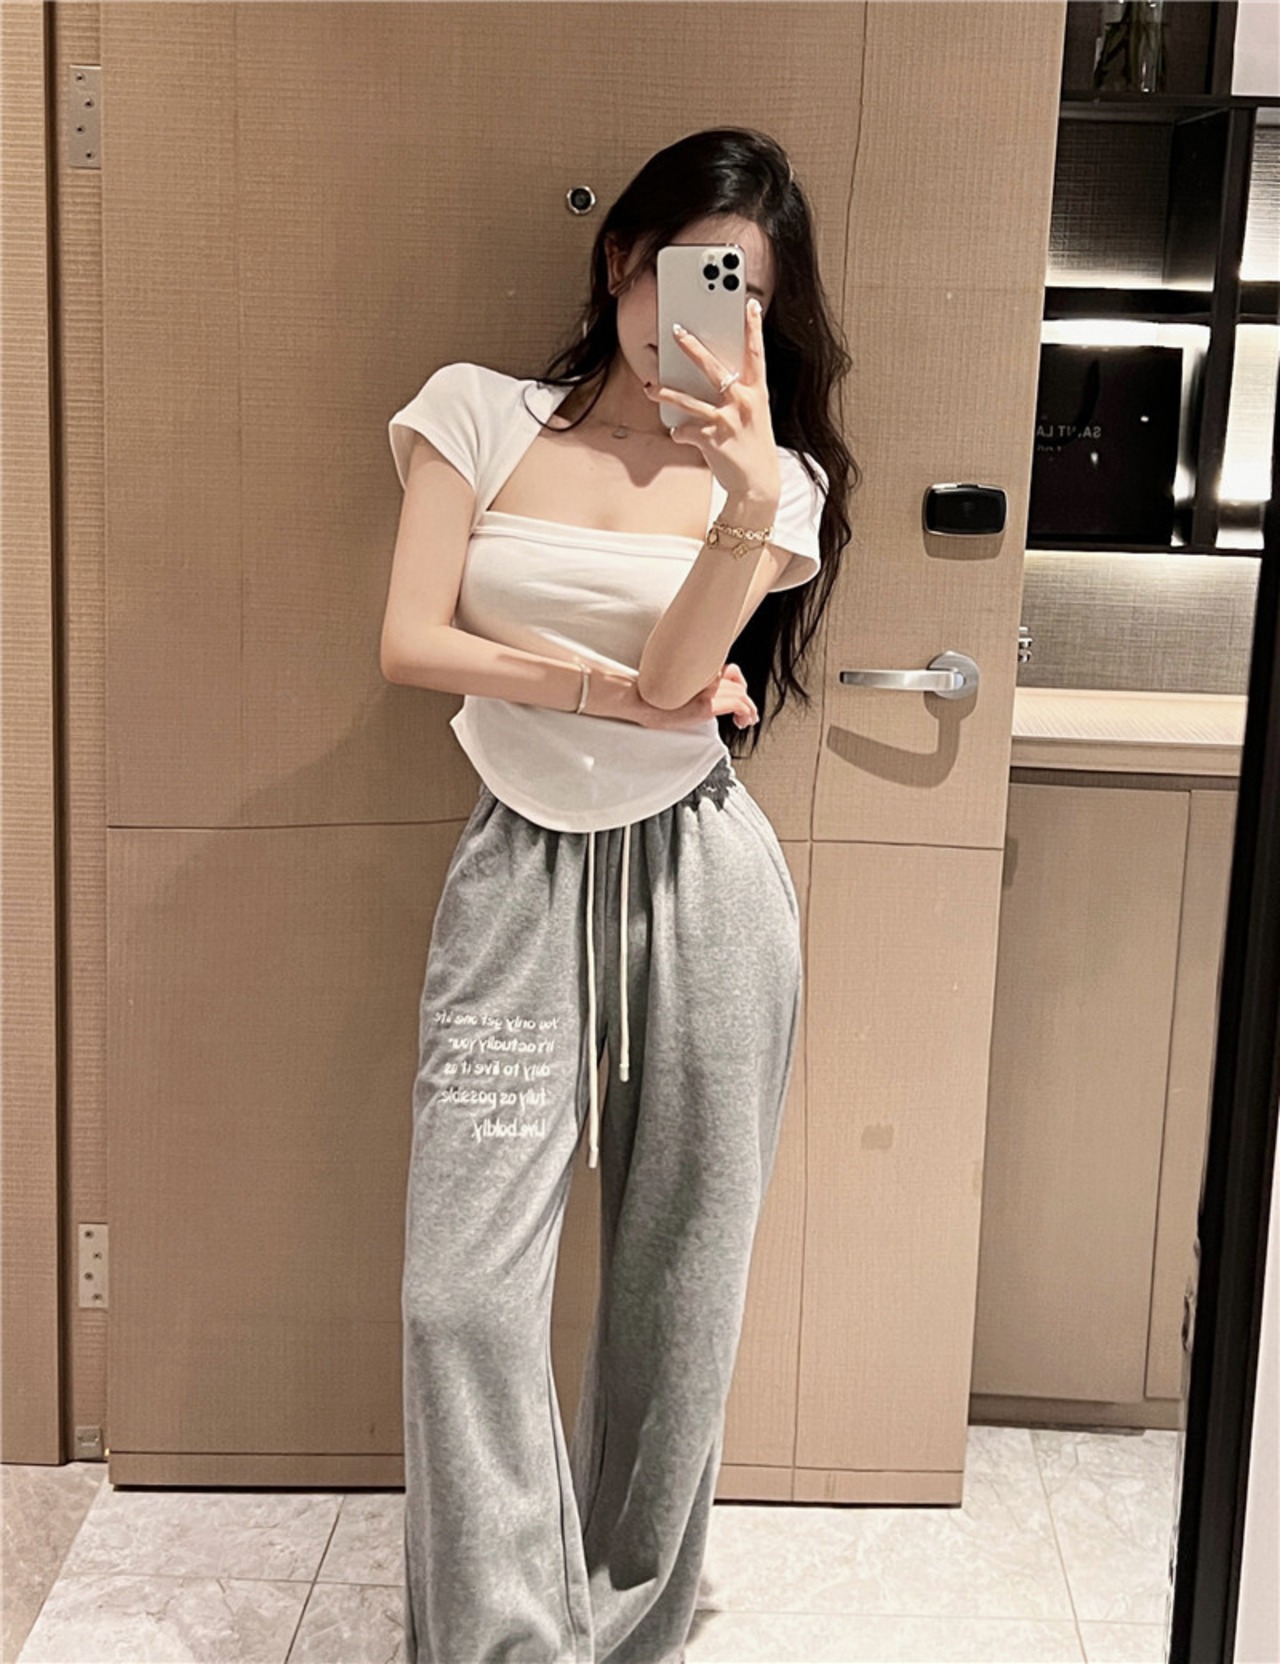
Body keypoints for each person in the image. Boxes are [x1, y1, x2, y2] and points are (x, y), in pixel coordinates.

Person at [382, 126, 855, 1664]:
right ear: (621, 261)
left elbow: (682, 675)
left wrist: (742, 492)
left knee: (678, 1297)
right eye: (681, 273)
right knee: (460, 1298)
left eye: (741, 292)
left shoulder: (779, 483)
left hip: (704, 881)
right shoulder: (476, 413)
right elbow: (410, 641)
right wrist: (589, 690)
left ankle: (628, 1627)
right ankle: (503, 1643)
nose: (697, 315)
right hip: (516, 868)